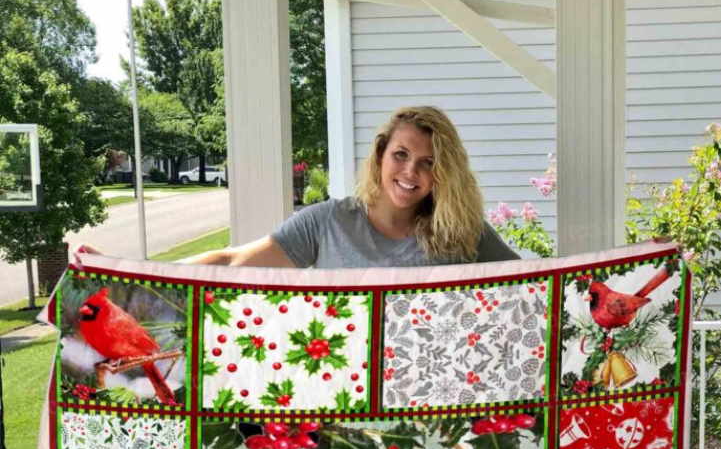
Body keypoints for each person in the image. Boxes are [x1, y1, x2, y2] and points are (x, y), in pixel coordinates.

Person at [75, 106, 517, 270]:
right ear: (381, 155)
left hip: (433, 410)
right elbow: (232, 261)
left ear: (444, 173)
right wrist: (126, 269)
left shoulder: (462, 231)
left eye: (428, 163)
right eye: (401, 155)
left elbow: (535, 288)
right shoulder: (329, 222)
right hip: (345, 408)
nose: (410, 171)